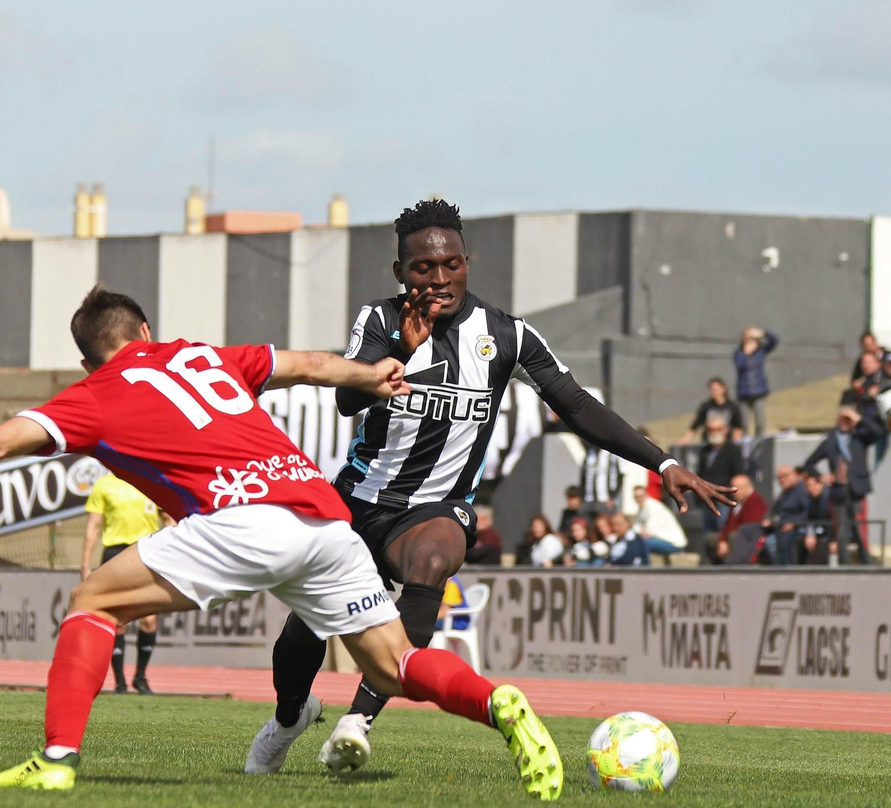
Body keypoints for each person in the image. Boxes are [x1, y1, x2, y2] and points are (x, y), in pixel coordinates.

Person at [0, 285, 567, 800]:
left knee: (92, 601)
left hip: (242, 519)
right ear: (146, 332)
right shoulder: (203, 355)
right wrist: (371, 376)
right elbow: (308, 365)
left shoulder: (93, 394)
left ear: (89, 360)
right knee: (394, 665)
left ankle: (55, 760)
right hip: (321, 514)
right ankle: (498, 701)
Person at [270, 201, 735, 773]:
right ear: (401, 272)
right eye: (423, 268)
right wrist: (403, 351)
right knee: (305, 629)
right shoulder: (380, 320)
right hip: (359, 502)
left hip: (436, 508)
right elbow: (346, 400)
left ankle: (357, 721)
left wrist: (663, 464)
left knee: (433, 560)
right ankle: (289, 718)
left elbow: (576, 406)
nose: (439, 279)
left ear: (467, 263)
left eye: (452, 265)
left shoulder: (507, 335)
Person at [81, 472, 167, 694]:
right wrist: (85, 564)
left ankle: (140, 677)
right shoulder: (104, 485)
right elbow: (93, 527)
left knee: (149, 620)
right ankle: (120, 682)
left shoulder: (151, 479)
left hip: (146, 552)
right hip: (115, 554)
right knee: (118, 621)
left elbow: (169, 520)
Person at [803, 399, 886, 565]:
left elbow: (878, 432)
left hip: (856, 490)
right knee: (841, 533)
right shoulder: (831, 440)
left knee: (860, 530)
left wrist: (858, 419)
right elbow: (809, 463)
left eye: (848, 420)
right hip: (839, 492)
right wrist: (822, 477)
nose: (845, 423)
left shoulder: (859, 437)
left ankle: (866, 564)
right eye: (843, 419)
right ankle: (845, 566)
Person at [695, 416, 745, 532]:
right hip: (706, 500)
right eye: (711, 430)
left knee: (723, 532)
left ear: (725, 430)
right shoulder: (705, 451)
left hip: (723, 501)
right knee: (708, 535)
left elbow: (738, 475)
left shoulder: (733, 450)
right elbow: (700, 473)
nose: (714, 433)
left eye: (718, 429)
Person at [712, 473, 769, 564]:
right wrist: (722, 540)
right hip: (733, 534)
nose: (735, 492)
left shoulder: (755, 501)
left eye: (738, 488)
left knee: (733, 536)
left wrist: (725, 539)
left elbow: (748, 526)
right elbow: (727, 524)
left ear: (749, 487)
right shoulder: (737, 503)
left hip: (749, 537)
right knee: (710, 539)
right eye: (733, 488)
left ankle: (735, 566)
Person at [733, 327, 779, 436]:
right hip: (744, 392)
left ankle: (760, 441)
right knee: (744, 423)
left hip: (759, 390)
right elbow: (740, 365)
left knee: (760, 423)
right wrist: (747, 353)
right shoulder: (739, 353)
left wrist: (763, 333)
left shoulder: (760, 351)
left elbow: (775, 340)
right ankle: (744, 443)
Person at [630, 484, 688, 558]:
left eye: (641, 496)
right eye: (636, 497)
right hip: (660, 540)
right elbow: (636, 528)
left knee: (642, 544)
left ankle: (642, 565)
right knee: (635, 543)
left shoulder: (653, 507)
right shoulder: (641, 509)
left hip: (674, 544)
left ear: (646, 495)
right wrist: (641, 531)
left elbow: (648, 533)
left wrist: (640, 531)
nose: (639, 499)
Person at [681, 378, 744, 444]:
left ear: (723, 389)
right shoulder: (706, 406)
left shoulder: (732, 407)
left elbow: (738, 427)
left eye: (716, 390)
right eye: (712, 390)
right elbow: (695, 424)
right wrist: (687, 438)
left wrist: (736, 441)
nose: (714, 392)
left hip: (726, 442)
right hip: (709, 442)